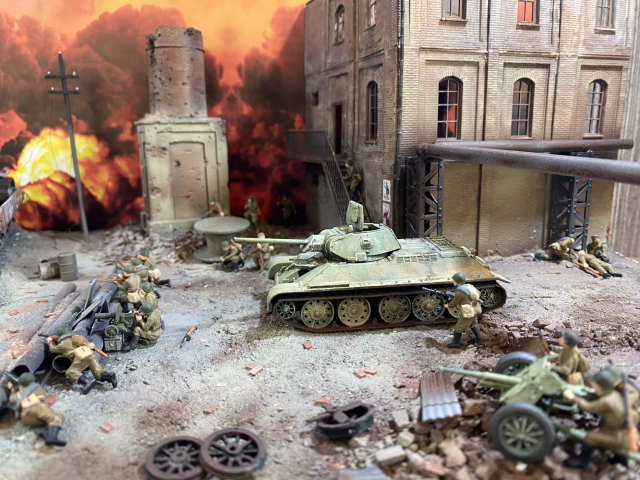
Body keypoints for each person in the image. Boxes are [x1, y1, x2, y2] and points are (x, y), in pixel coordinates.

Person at [562, 368, 640, 468]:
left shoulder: (607, 401)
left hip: (619, 436)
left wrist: (572, 397)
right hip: (622, 433)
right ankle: (618, 462)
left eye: (596, 386)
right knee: (616, 448)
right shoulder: (615, 394)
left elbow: (587, 407)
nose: (594, 388)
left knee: (590, 436)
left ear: (602, 386)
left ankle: (582, 462)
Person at [8, 373, 66, 446]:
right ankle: (51, 437)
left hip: (25, 420)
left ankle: (43, 433)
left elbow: (12, 398)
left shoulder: (17, 395)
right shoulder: (38, 391)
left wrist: (12, 388)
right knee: (58, 418)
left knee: (44, 419)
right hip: (36, 414)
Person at [444, 272, 483, 349]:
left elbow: (454, 302)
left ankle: (456, 344)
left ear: (457, 281)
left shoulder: (459, 291)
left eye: (454, 280)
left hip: (468, 311)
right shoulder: (468, 286)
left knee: (458, 328)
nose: (453, 281)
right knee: (473, 324)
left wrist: (448, 305)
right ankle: (479, 341)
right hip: (474, 308)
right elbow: (477, 293)